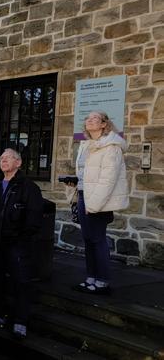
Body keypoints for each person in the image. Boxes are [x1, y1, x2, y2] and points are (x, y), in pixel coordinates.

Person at [0, 148, 42, 339]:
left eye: (9, 157)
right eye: (1, 157)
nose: (3, 160)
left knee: (21, 282)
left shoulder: (29, 187)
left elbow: (34, 218)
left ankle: (20, 320)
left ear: (19, 163)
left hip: (16, 243)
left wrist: (21, 238)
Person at [74, 111, 128, 294]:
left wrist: (94, 204)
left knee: (98, 239)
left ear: (104, 124)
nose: (89, 120)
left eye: (94, 118)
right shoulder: (86, 145)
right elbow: (85, 174)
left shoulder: (111, 146)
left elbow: (108, 180)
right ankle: (91, 277)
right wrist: (73, 183)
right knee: (88, 239)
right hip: (83, 195)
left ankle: (102, 281)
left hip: (97, 200)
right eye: (87, 118)